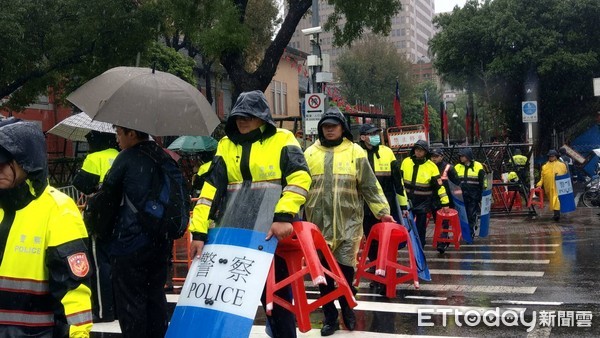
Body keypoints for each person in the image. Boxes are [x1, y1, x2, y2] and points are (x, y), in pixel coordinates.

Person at [189, 90, 312, 338]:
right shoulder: (226, 145)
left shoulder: (283, 139)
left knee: (275, 298)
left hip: (270, 234)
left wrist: (283, 216)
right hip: (233, 234)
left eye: (249, 116)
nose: (242, 120)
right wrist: (199, 231)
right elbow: (210, 190)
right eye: (238, 116)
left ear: (262, 118)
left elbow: (300, 178)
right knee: (225, 299)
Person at [304, 109, 394, 336]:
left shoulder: (355, 152)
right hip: (317, 226)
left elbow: (369, 186)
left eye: (334, 125)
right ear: (320, 129)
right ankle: (330, 317)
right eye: (326, 126)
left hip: (349, 224)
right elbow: (299, 187)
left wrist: (383, 211)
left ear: (343, 128)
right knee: (322, 274)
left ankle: (346, 307)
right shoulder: (309, 153)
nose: (330, 129)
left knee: (345, 271)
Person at [0, 118, 92, 337]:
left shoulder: (58, 209)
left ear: (26, 162)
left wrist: (77, 335)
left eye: (3, 162)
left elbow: (73, 290)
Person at [93, 126, 174, 338]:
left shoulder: (126, 158)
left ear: (131, 133)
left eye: (119, 133)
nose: (117, 138)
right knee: (155, 297)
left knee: (130, 304)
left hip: (129, 242)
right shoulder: (164, 157)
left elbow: (107, 197)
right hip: (160, 242)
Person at [72, 130, 119, 323]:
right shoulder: (120, 155)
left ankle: (102, 310)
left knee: (100, 265)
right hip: (120, 216)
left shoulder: (94, 158)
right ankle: (116, 307)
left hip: (100, 217)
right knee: (116, 263)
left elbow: (81, 184)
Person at [357, 124, 407, 288]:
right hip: (364, 207)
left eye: (377, 133)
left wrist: (404, 205)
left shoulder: (387, 152)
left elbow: (397, 182)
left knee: (387, 241)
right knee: (371, 240)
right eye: (372, 134)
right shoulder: (356, 152)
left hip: (387, 207)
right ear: (363, 136)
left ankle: (384, 269)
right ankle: (376, 269)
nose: (376, 136)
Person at [400, 140, 450, 249]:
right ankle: (409, 245)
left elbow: (439, 187)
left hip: (423, 202)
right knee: (405, 225)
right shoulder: (406, 162)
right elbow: (400, 180)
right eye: (417, 150)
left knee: (421, 227)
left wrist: (445, 203)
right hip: (406, 200)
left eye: (421, 150)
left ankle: (420, 246)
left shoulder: (431, 166)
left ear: (426, 152)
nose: (418, 152)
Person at [429, 147, 459, 253]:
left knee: (444, 222)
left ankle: (442, 242)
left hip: (447, 200)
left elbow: (456, 184)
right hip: (433, 199)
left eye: (436, 156)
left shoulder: (449, 168)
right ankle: (443, 240)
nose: (434, 159)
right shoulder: (428, 167)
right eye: (432, 156)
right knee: (437, 221)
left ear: (442, 156)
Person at [454, 148, 486, 239]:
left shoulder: (478, 166)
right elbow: (453, 181)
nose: (461, 158)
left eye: (462, 156)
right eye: (460, 156)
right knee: (462, 216)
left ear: (468, 156)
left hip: (473, 195)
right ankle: (465, 231)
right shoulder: (457, 167)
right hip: (461, 195)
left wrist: (482, 193)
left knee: (471, 214)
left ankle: (470, 232)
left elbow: (483, 180)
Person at [536, 149, 568, 221]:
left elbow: (565, 175)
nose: (551, 158)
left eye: (552, 156)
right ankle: (556, 213)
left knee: (556, 198)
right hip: (548, 186)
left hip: (558, 186)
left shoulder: (561, 165)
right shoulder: (545, 166)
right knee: (552, 200)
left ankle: (557, 214)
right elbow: (542, 177)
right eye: (550, 156)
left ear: (556, 156)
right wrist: (539, 184)